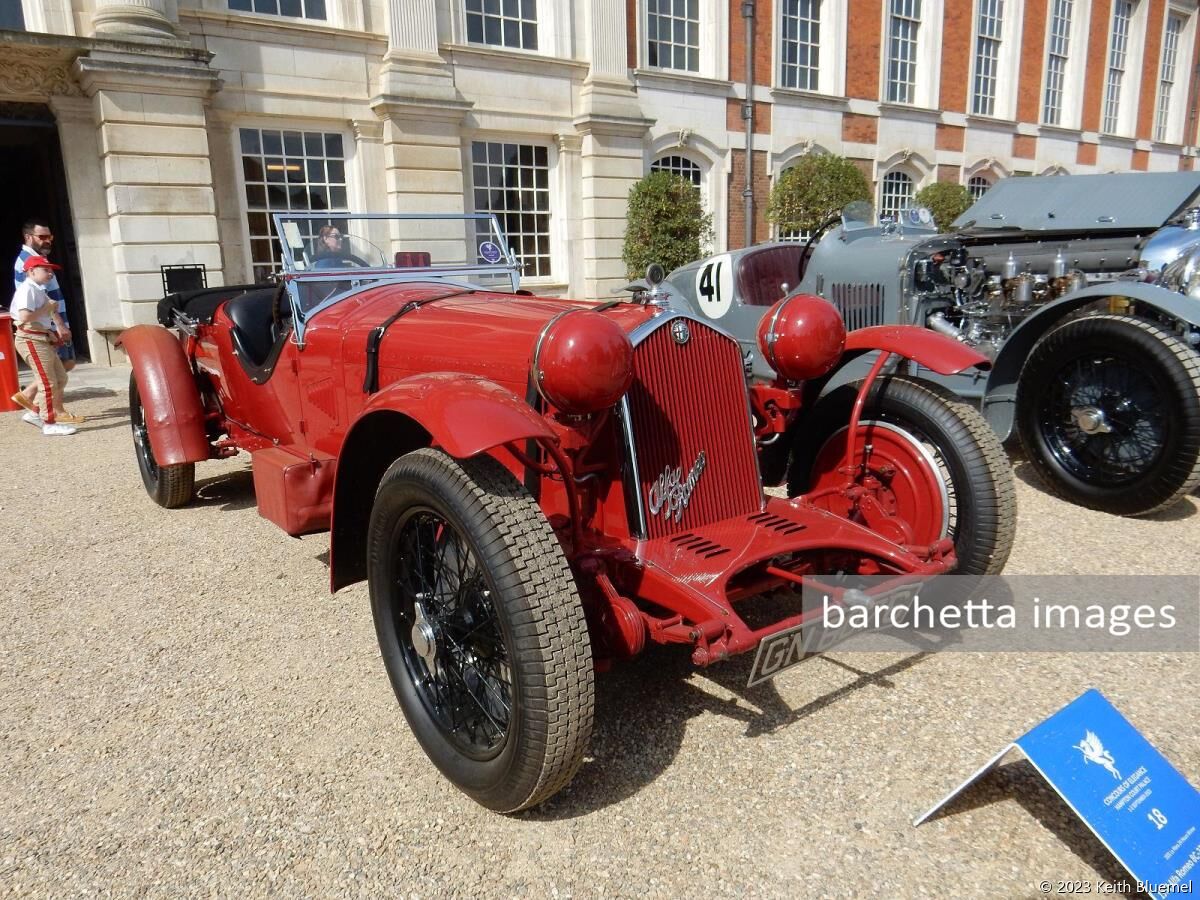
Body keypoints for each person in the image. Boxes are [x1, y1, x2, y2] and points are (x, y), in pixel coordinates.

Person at [9, 255, 79, 436]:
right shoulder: (28, 289)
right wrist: (48, 308)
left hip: (39, 337)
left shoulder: (36, 288)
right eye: (46, 270)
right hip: (31, 339)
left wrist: (50, 331)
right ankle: (48, 423)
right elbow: (24, 317)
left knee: (60, 378)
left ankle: (35, 413)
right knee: (47, 383)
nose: (50, 273)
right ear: (31, 271)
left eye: (50, 270)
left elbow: (36, 318)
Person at [12, 219, 75, 414]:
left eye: (50, 236)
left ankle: (34, 399)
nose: (48, 240)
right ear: (28, 237)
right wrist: (58, 325)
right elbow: (40, 296)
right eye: (42, 237)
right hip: (42, 328)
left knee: (64, 366)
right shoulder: (28, 262)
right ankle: (54, 411)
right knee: (54, 372)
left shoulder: (39, 260)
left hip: (48, 324)